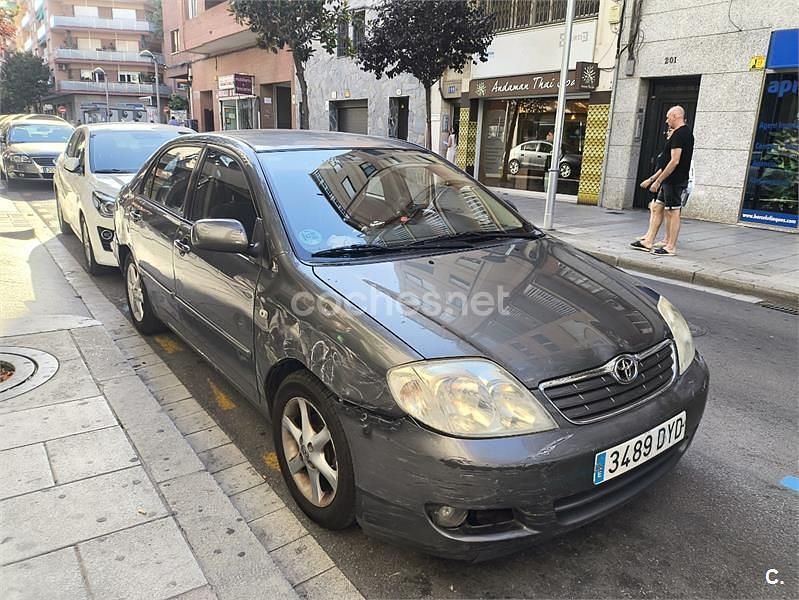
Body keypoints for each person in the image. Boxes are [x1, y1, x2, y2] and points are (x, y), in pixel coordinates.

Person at [630, 105, 694, 256]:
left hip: (674, 180)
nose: (666, 121)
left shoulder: (680, 134)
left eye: (668, 117)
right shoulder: (683, 134)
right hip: (669, 179)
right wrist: (655, 179)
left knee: (673, 211)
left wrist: (658, 181)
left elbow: (674, 161)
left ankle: (670, 246)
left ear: (675, 116)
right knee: (658, 207)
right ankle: (648, 240)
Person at [633, 127, 673, 249]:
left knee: (665, 211)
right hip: (663, 181)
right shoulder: (668, 147)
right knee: (655, 208)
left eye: (670, 130)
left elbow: (664, 168)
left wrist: (653, 180)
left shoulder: (673, 148)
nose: (667, 132)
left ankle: (666, 240)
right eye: (667, 130)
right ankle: (649, 237)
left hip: (666, 181)